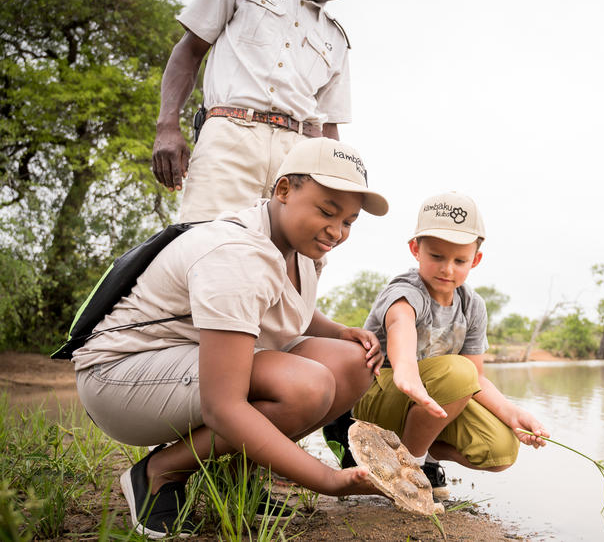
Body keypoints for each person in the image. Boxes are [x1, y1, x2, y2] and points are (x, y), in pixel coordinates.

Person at [72, 138, 388, 538]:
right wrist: (326, 479)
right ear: (284, 190)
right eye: (327, 211)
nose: (336, 231)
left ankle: (237, 479)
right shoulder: (237, 254)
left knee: (352, 362)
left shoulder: (300, 247)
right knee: (307, 385)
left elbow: (283, 302)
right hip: (118, 379)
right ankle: (158, 474)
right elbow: (223, 406)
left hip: (180, 364)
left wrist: (340, 332)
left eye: (348, 222)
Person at [329, 191, 549, 500]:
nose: (447, 269)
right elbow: (400, 323)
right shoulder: (407, 290)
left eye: (459, 260)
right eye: (436, 257)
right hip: (378, 394)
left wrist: (512, 413)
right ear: (415, 250)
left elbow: (476, 377)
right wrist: (405, 369)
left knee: (500, 448)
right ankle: (410, 468)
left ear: (476, 260)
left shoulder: (472, 306)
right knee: (457, 372)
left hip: (429, 402)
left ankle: (413, 454)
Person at [152, 0, 370, 223]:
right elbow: (190, 50)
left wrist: (333, 198)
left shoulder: (337, 40)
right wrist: (167, 126)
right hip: (229, 139)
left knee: (288, 259)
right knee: (207, 244)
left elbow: (329, 127)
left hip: (297, 161)